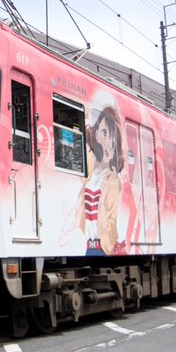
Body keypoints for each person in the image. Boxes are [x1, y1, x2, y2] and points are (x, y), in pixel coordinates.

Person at [74, 105, 125, 256]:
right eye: (103, 132)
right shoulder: (90, 169)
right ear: (96, 134)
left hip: (100, 248)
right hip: (84, 246)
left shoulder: (112, 181)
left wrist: (107, 243)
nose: (107, 142)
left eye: (113, 141)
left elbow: (111, 220)